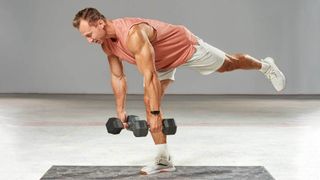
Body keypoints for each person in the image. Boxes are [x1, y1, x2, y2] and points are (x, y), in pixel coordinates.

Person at [72, 7, 286, 175]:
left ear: (100, 23)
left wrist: (155, 115)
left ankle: (265, 66)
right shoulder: (106, 45)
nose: (89, 40)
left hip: (183, 47)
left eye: (89, 34)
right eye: (86, 37)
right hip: (160, 63)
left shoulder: (133, 33)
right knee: (149, 100)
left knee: (229, 64)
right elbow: (118, 77)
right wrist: (120, 110)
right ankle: (163, 159)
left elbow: (149, 76)